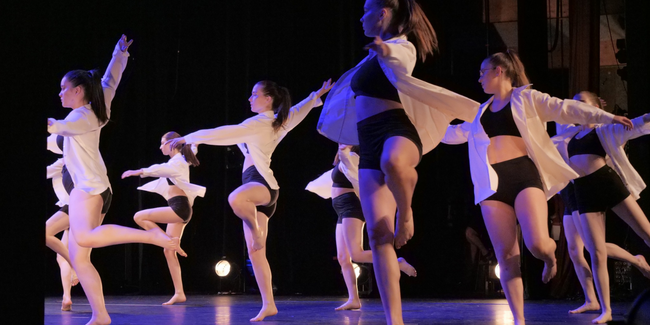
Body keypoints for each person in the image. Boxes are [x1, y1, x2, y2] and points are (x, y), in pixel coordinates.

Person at [442, 52, 633, 325]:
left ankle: (550, 257)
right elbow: (455, 134)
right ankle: (519, 319)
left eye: (483, 71)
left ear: (499, 71)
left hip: (523, 177)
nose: (479, 77)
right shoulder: (480, 111)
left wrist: (606, 116)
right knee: (506, 255)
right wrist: (416, 130)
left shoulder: (526, 99)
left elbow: (565, 108)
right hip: (492, 185)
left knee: (536, 244)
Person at [317, 1, 479, 323]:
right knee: (378, 237)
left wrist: (385, 52)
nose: (360, 16)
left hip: (397, 131)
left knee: (394, 162)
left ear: (383, 14)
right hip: (368, 143)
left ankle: (407, 214)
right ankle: (395, 319)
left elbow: (401, 65)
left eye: (365, 10)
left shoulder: (401, 47)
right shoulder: (369, 57)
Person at [168, 79, 333, 321]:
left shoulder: (259, 123)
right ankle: (269, 304)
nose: (250, 98)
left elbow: (223, 132)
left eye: (255, 95)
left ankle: (255, 229)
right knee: (256, 252)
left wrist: (189, 138)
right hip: (259, 191)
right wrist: (315, 95)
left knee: (235, 198)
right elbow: (298, 110)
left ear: (268, 99)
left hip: (261, 185)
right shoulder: (279, 121)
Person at [47, 35, 177, 325]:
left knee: (84, 239)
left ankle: (151, 236)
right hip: (99, 189)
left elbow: (61, 126)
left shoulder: (81, 117)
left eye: (63, 89)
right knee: (80, 259)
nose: (60, 94)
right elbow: (110, 81)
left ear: (78, 91)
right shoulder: (96, 105)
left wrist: (51, 124)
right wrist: (120, 53)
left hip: (89, 190)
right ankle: (101, 315)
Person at [552, 91, 650, 324]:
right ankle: (605, 309)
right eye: (576, 104)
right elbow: (553, 120)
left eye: (583, 104)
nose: (578, 107)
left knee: (647, 233)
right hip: (583, 192)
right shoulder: (570, 134)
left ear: (595, 108)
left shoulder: (604, 129)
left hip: (608, 185)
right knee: (595, 251)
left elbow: (635, 126)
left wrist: (646, 117)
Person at [306, 144, 417, 311]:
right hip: (342, 209)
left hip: (352, 207)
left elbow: (351, 168)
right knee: (343, 257)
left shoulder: (354, 159)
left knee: (356, 253)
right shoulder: (343, 159)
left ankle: (397, 262)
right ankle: (353, 298)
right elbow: (330, 176)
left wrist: (344, 150)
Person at [121, 131, 206, 306]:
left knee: (139, 216)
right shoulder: (182, 160)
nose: (160, 147)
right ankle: (179, 293)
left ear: (172, 144)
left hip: (179, 208)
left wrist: (139, 171)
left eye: (162, 143)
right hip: (181, 210)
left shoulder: (177, 163)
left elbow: (161, 169)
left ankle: (166, 240)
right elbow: (192, 150)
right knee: (168, 251)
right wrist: (193, 143)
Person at [45, 134, 79, 311]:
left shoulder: (66, 160)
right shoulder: (75, 158)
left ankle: (74, 266)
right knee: (61, 255)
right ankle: (66, 297)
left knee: (48, 236)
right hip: (78, 208)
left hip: (73, 207)